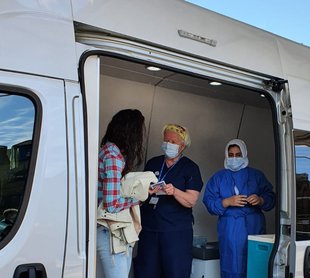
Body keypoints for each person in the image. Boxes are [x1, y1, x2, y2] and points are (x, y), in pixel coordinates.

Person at [134, 124, 203, 278]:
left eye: (173, 142)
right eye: (166, 140)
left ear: (183, 145)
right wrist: (146, 191)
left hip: (175, 232)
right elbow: (139, 192)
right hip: (150, 229)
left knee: (175, 272)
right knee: (146, 272)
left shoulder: (190, 168)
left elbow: (191, 200)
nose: (168, 144)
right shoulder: (153, 163)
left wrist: (175, 192)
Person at [203, 139, 275, 278]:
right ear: (226, 155)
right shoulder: (218, 178)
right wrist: (226, 202)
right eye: (231, 155)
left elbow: (271, 197)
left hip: (254, 226)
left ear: (245, 154)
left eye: (238, 154)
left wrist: (260, 200)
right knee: (232, 265)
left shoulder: (256, 175)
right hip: (230, 228)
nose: (234, 158)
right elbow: (209, 202)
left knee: (256, 265)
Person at [97, 109, 145, 278]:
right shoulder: (113, 157)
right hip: (111, 230)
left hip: (107, 229)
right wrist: (137, 198)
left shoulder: (106, 150)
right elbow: (111, 204)